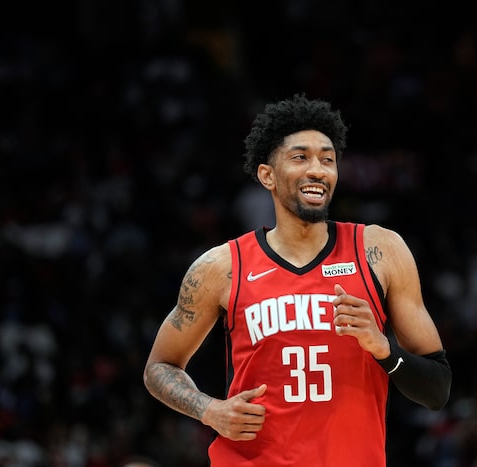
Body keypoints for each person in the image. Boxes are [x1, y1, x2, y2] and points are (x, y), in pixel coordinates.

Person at [143, 94, 452, 466]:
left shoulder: (380, 250)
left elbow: (437, 389)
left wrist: (384, 349)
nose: (317, 169)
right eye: (300, 157)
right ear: (267, 175)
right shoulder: (222, 266)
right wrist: (209, 410)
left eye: (327, 159)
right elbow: (159, 366)